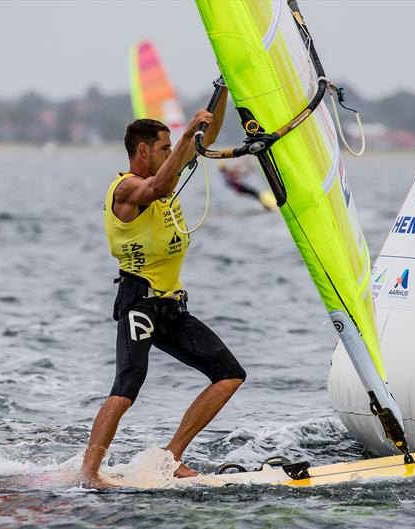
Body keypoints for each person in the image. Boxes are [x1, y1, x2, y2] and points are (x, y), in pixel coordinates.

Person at [78, 89, 246, 487]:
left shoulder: (166, 169)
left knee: (228, 374)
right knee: (127, 385)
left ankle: (170, 458)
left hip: (170, 306)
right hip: (139, 301)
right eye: (165, 147)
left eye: (173, 147)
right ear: (143, 150)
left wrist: (224, 89)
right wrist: (186, 131)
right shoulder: (126, 190)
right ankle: (89, 472)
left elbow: (209, 134)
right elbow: (157, 189)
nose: (173, 152)